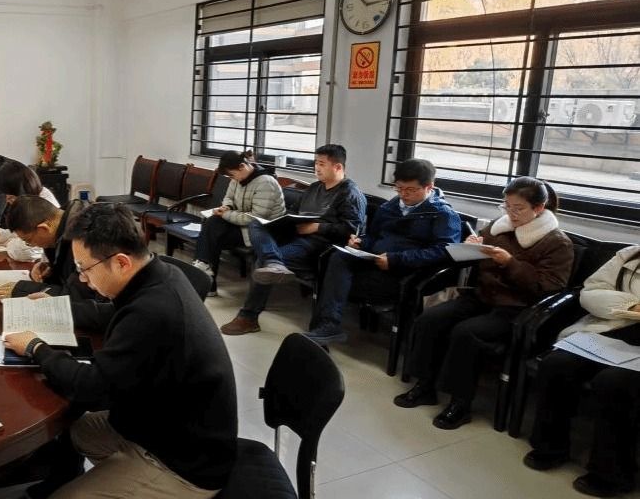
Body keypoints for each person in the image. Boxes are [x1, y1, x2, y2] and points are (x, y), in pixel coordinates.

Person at [5, 203, 237, 499]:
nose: (81, 278)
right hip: (167, 423)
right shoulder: (160, 275)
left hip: (186, 461)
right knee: (81, 432)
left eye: (85, 269)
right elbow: (112, 314)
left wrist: (37, 348)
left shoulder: (152, 312)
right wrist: (58, 306)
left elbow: (93, 387)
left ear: (121, 261)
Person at [395, 177, 573, 429]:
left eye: (518, 208)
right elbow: (478, 259)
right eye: (507, 206)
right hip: (482, 296)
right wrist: (470, 249)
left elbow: (548, 287)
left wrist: (510, 263)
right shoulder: (498, 228)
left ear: (539, 208)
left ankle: (460, 403)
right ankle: (425, 385)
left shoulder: (556, 242)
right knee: (430, 319)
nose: (511, 214)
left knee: (466, 333)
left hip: (518, 309)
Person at [304, 158, 461, 345]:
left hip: (406, 274)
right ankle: (327, 327)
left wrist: (397, 259)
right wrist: (361, 243)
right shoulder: (389, 207)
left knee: (334, 280)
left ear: (429, 187)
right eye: (399, 188)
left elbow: (444, 251)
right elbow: (374, 236)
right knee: (338, 258)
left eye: (410, 190)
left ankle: (324, 330)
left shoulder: (443, 215)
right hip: (376, 261)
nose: (403, 194)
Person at [524, 244, 640, 497]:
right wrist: (632, 306)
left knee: (613, 383)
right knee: (556, 364)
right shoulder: (630, 255)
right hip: (612, 330)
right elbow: (590, 292)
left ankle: (612, 473)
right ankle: (551, 447)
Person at [221, 144, 366, 336]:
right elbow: (294, 211)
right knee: (256, 224)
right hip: (295, 234)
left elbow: (351, 231)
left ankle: (249, 317)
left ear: (338, 167)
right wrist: (282, 222)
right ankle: (273, 261)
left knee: (262, 262)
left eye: (322, 164)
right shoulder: (315, 188)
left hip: (318, 245)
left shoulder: (350, 193)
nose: (316, 168)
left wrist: (317, 227)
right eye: (316, 163)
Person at [191, 149, 284, 279]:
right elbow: (229, 197)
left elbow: (254, 218)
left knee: (212, 235)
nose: (232, 179)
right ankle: (204, 268)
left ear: (242, 166)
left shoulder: (266, 183)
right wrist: (226, 207)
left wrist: (225, 214)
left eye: (232, 175)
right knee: (212, 223)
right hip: (241, 225)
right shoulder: (238, 178)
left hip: (260, 232)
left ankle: (204, 272)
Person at [0, 195, 89, 300]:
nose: (33, 245)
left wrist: (24, 290)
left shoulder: (83, 238)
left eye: (29, 240)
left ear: (43, 228)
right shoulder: (61, 227)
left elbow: (81, 295)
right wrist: (50, 270)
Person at [0, 159, 60, 260]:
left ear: (20, 190)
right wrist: (0, 235)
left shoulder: (41, 204)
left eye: (10, 195)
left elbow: (25, 251)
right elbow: (23, 235)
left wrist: (10, 243)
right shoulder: (30, 199)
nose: (7, 200)